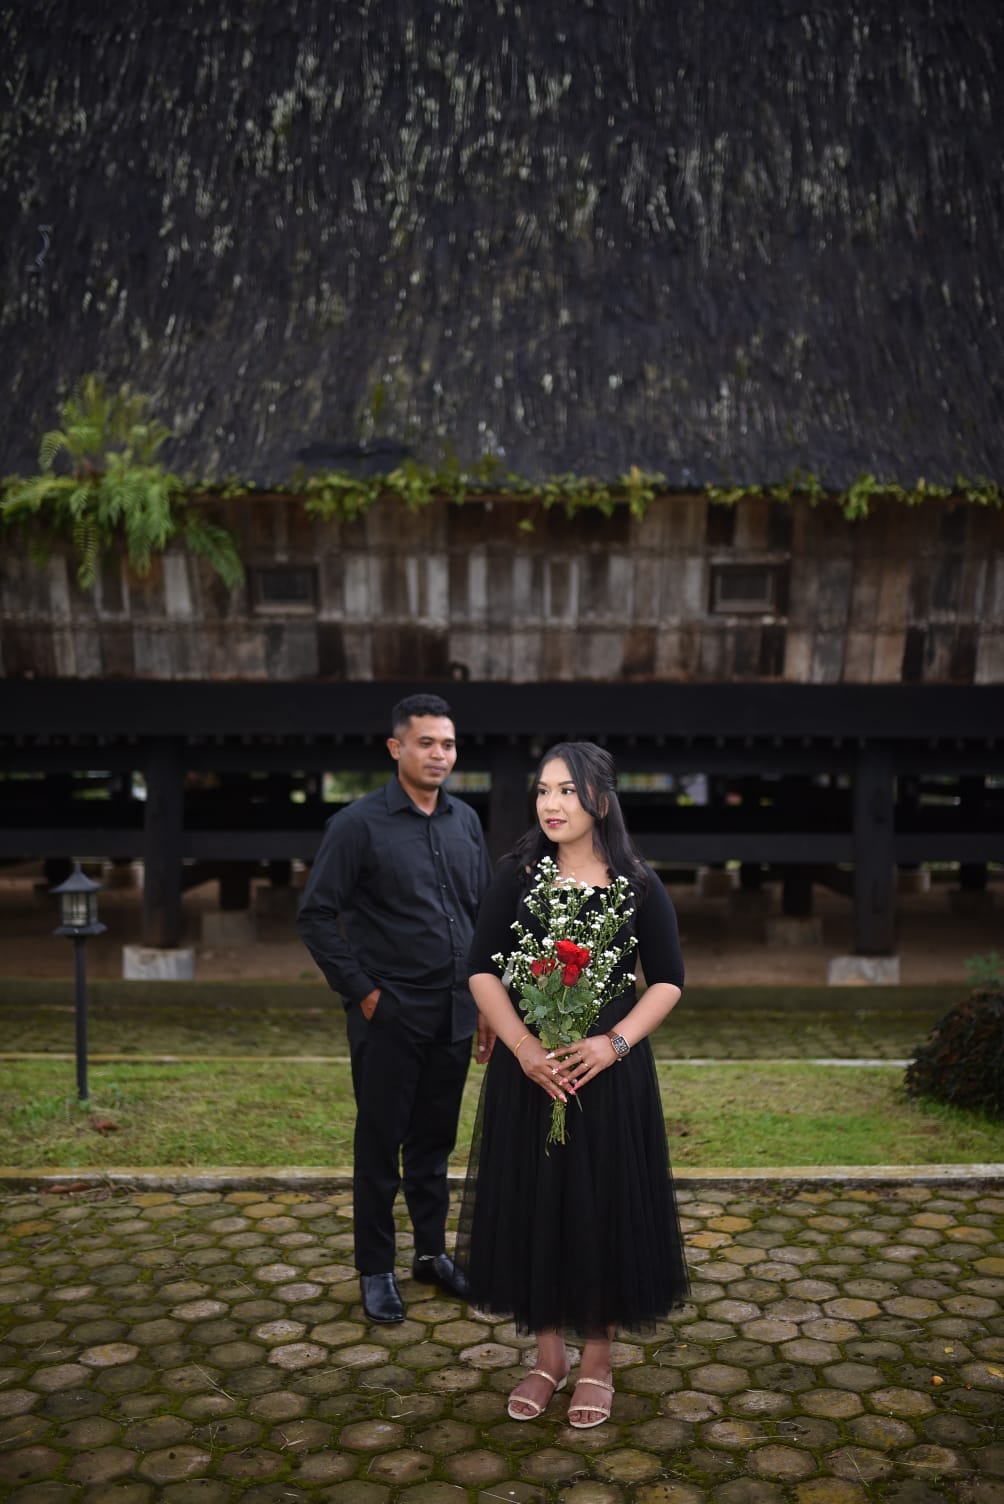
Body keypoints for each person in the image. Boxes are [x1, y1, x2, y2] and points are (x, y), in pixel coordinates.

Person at [456, 741, 688, 1427]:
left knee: (599, 1211)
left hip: (605, 1080)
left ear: (601, 801)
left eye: (566, 791)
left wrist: (613, 1045)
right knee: (534, 1207)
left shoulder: (636, 883)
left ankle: (597, 1360)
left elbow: (668, 980)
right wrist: (524, 1048)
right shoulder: (518, 875)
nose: (551, 804)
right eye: (543, 790)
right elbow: (481, 969)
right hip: (528, 1077)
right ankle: (548, 1357)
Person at [297, 693, 492, 1324]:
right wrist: (363, 991)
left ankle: (431, 1255)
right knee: (380, 1146)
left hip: (455, 1011)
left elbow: (481, 916)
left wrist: (488, 1002)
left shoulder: (465, 822)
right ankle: (375, 1268)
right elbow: (316, 915)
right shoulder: (356, 825)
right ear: (396, 748)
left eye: (448, 744)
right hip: (388, 1013)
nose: (439, 754)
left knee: (435, 1144)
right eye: (426, 742)